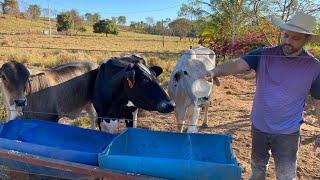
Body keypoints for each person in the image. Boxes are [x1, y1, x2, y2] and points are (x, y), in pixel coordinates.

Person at [203, 12, 320, 179]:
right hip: (259, 126)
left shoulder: (314, 68)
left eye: (295, 38)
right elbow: (238, 64)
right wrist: (215, 71)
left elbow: (318, 102)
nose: (287, 41)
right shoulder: (264, 54)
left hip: (288, 132)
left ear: (306, 40)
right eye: (286, 35)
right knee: (257, 169)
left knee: (286, 175)